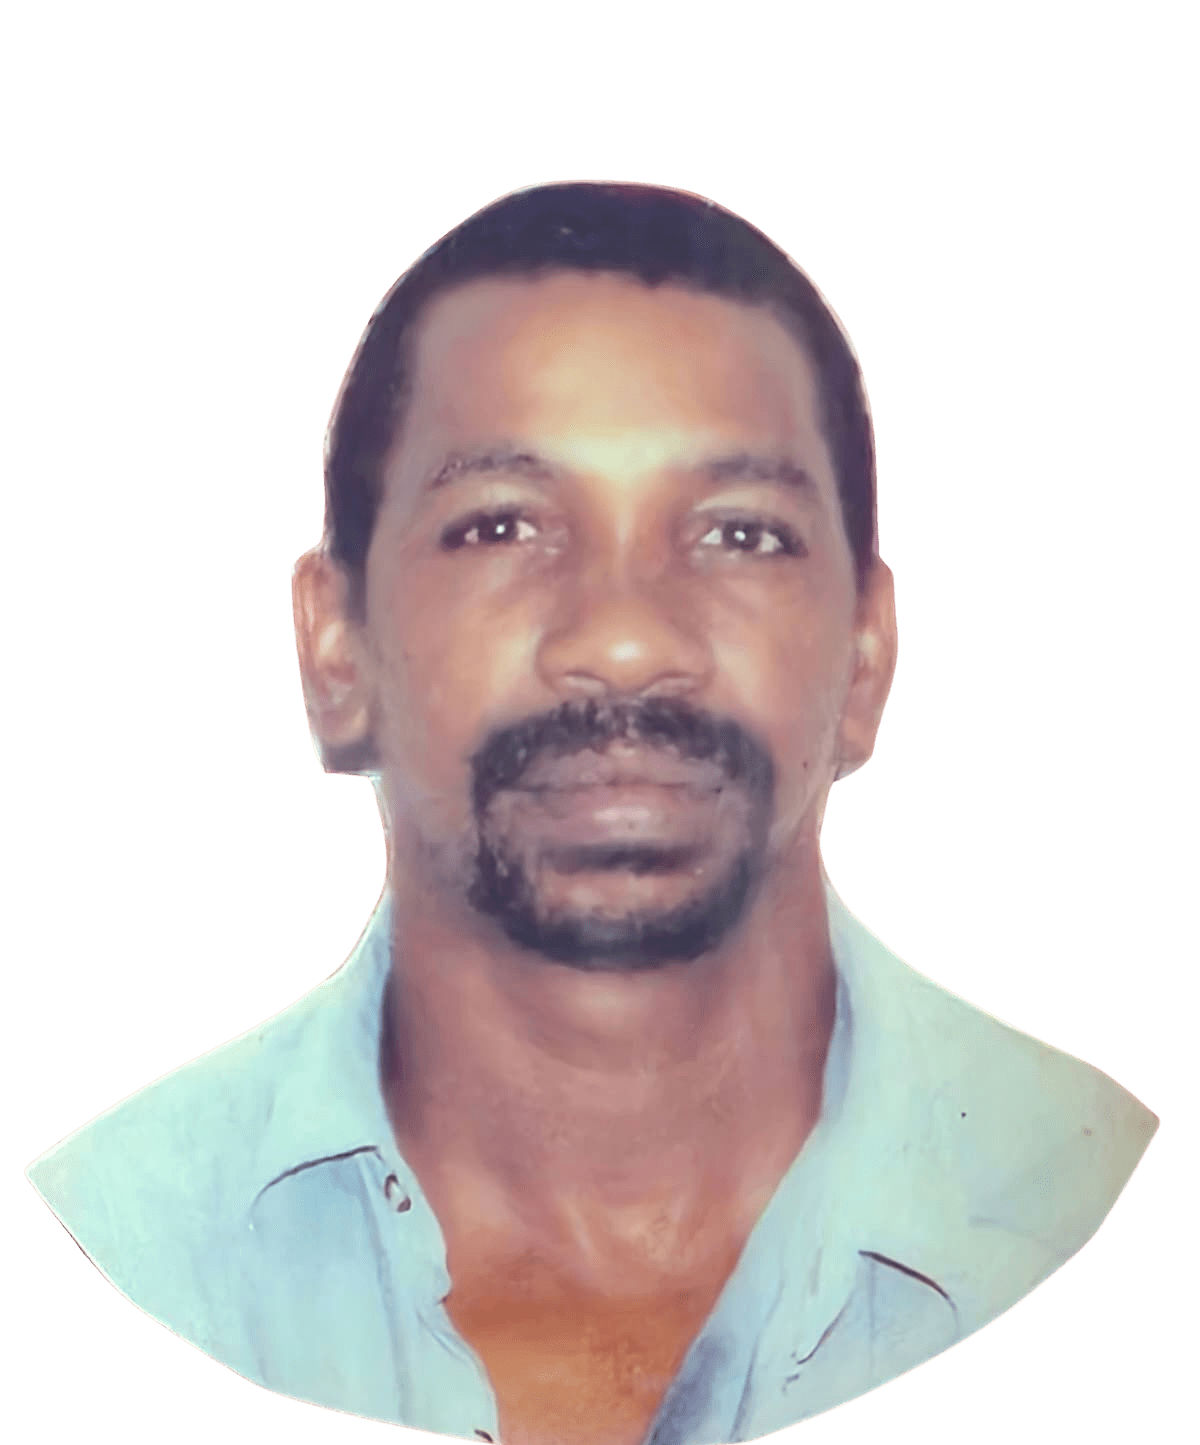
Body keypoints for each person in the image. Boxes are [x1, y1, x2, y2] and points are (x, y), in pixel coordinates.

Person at [25, 181, 1158, 1445]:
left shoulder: (1110, 1204)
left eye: (741, 533)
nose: (624, 641)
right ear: (335, 650)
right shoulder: (102, 1248)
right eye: (501, 525)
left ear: (868, 654)